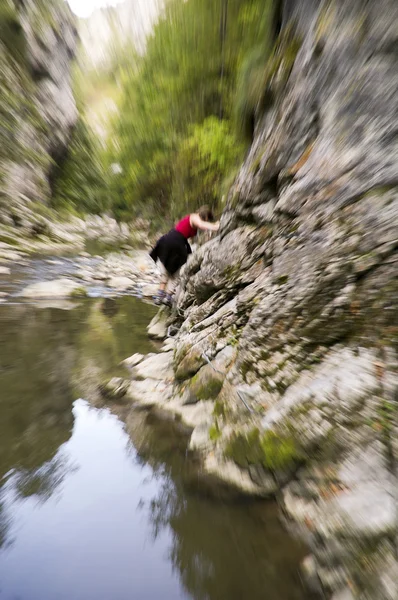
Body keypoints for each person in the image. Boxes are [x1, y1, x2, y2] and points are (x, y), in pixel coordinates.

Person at [149, 206, 220, 306]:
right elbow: (202, 225)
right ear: (205, 216)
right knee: (174, 270)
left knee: (170, 268)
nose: (207, 220)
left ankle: (162, 297)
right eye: (208, 218)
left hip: (174, 241)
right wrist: (215, 226)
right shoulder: (194, 217)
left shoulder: (193, 219)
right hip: (175, 241)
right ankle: (165, 297)